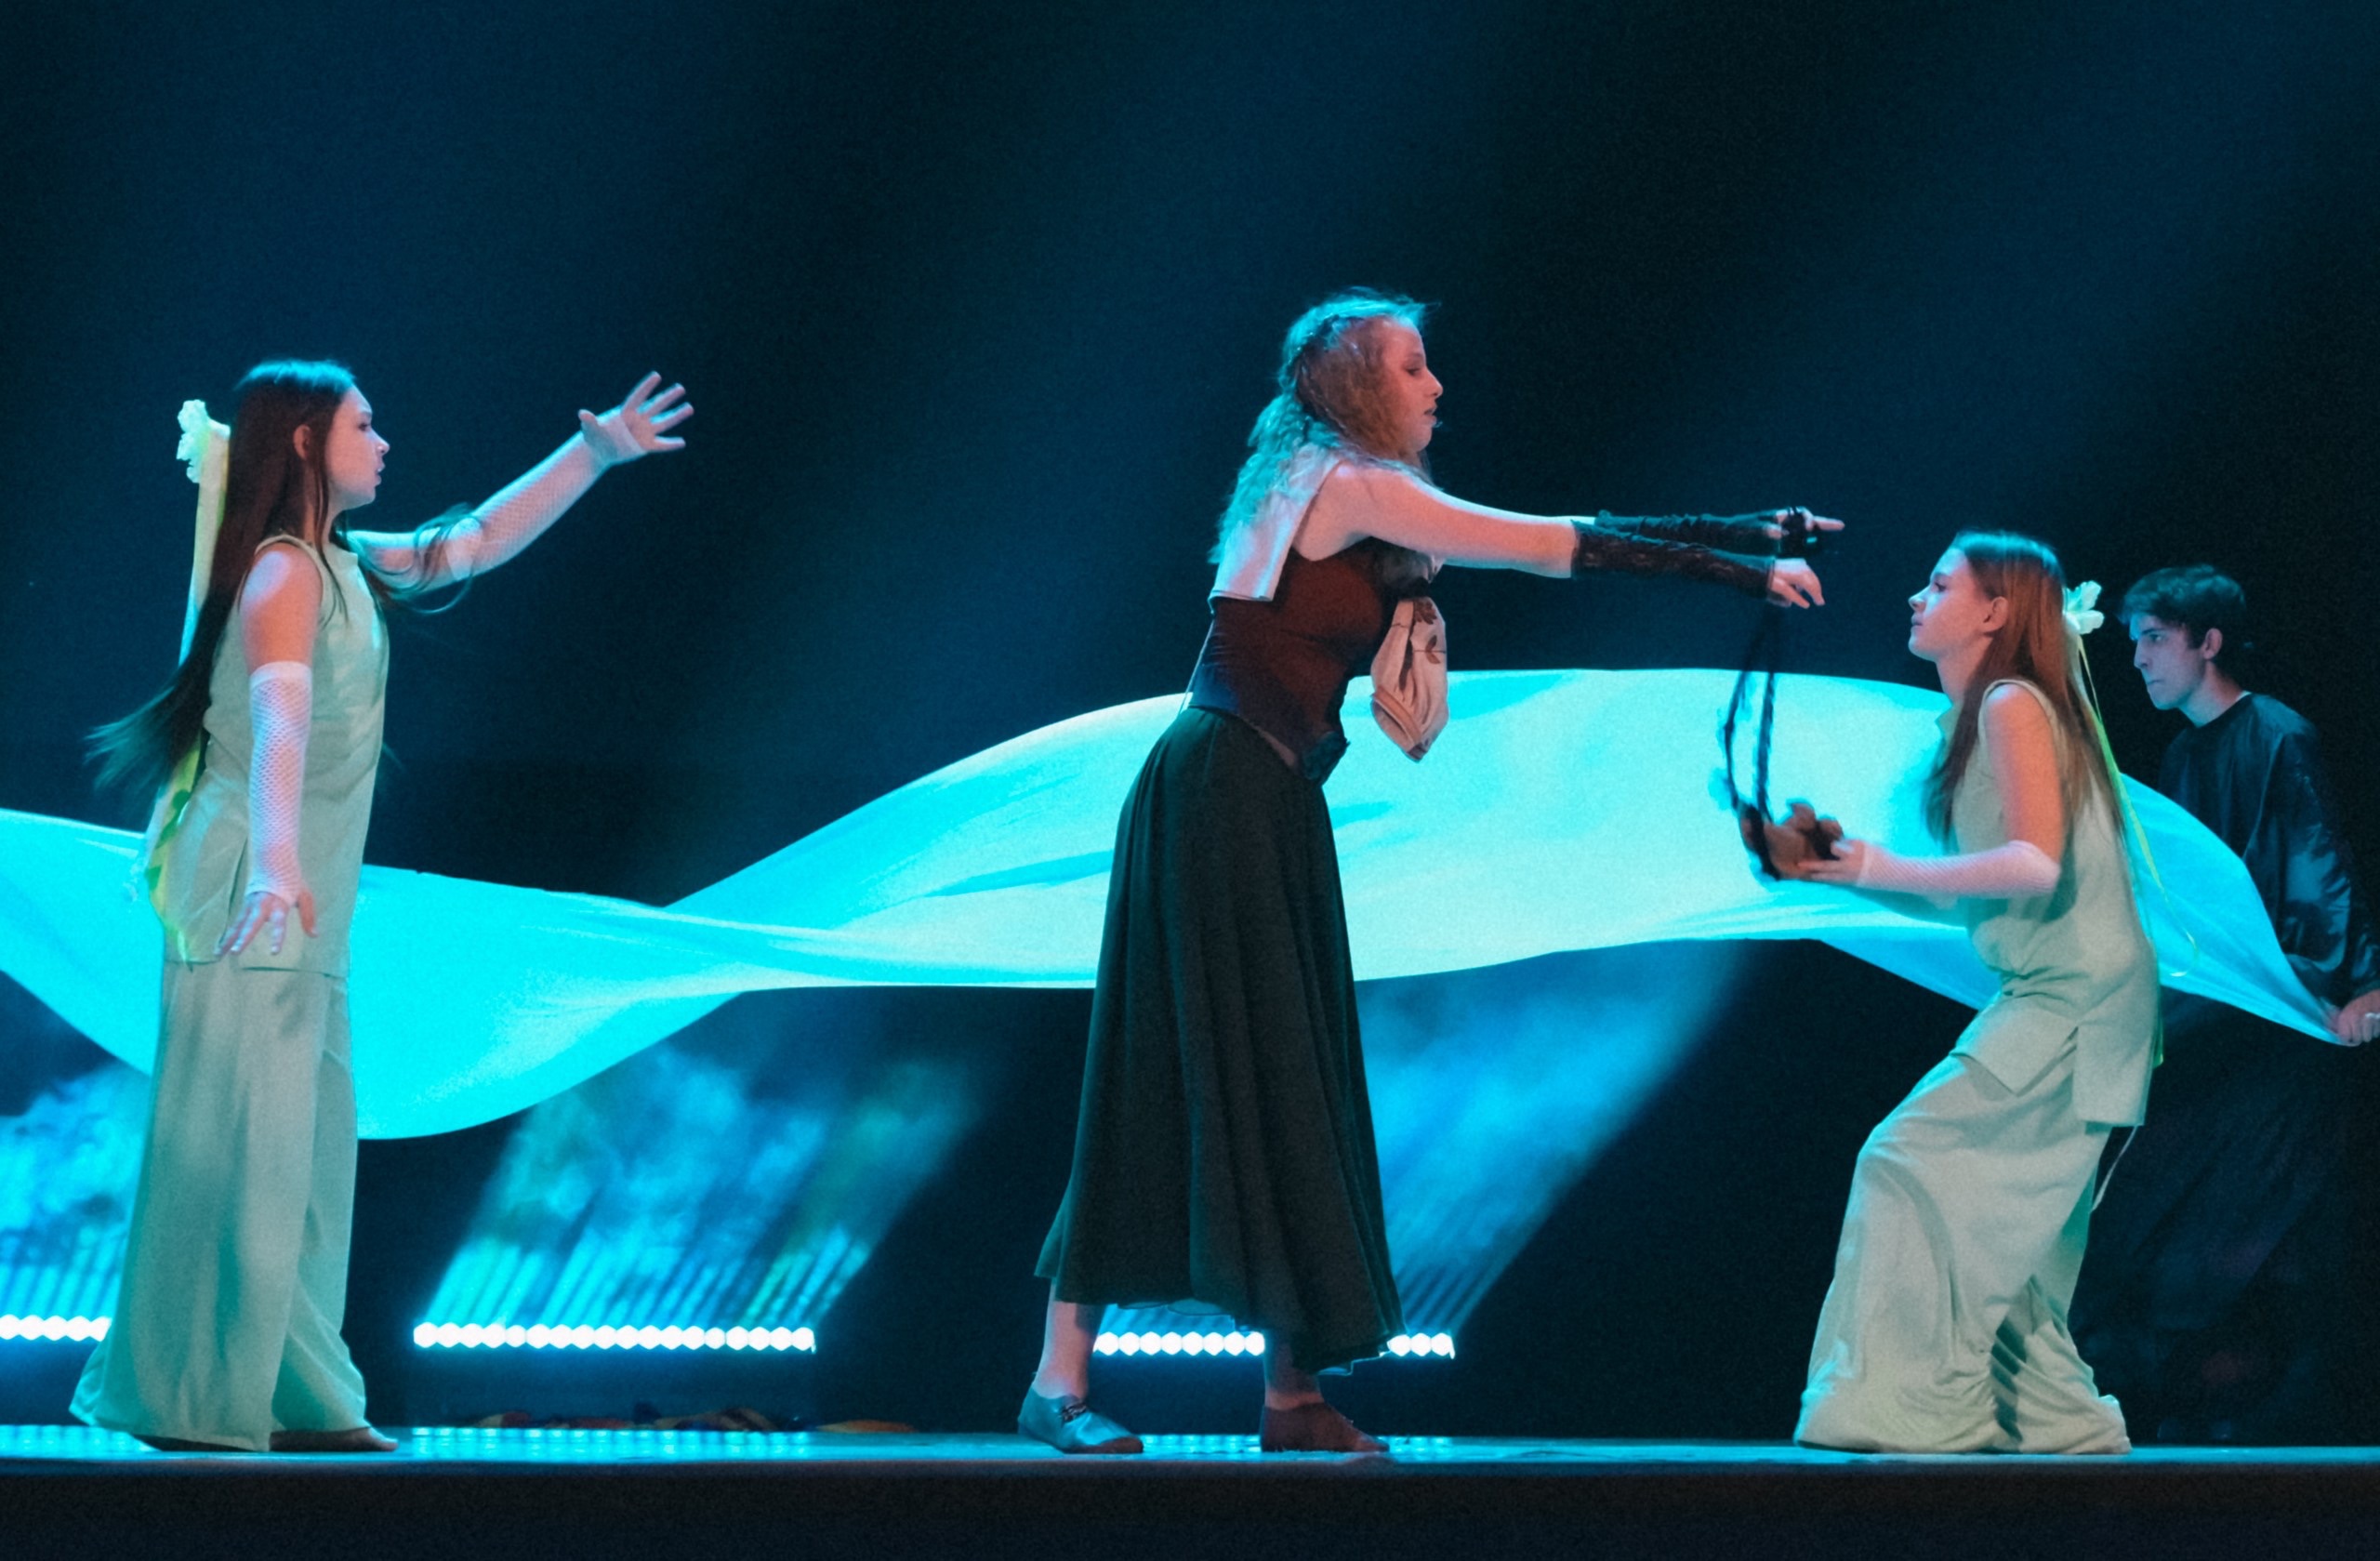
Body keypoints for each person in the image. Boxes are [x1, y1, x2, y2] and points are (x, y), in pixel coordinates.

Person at [1025, 289, 1836, 1454]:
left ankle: (1290, 1394)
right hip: (1225, 793)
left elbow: (1518, 534)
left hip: (1252, 794)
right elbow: (1551, 541)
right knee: (1174, 1070)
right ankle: (1063, 1383)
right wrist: (1740, 565)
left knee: (1286, 1071)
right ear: (1358, 385)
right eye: (1412, 366)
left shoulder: (1312, 474)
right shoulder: (1350, 482)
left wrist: (1751, 529)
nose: (1436, 385)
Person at [75, 362, 691, 1452]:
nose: (384, 440)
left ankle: (294, 1388)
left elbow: (477, 540)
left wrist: (592, 454)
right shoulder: (281, 572)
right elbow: (278, 719)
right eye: (364, 424)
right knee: (247, 1148)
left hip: (298, 906)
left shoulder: (344, 563)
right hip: (251, 897)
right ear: (303, 441)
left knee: (305, 1158)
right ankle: (203, 1392)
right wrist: (274, 864)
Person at [1782, 532, 2155, 1454]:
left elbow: (2033, 864)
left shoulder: (2011, 702)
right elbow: (1976, 889)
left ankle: (1915, 1409)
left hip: (2074, 1001)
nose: (1917, 597)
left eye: (1940, 583)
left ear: (1995, 610)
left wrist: (1869, 862)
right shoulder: (1984, 717)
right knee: (2009, 1231)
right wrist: (1841, 868)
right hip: (2074, 996)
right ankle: (2054, 1422)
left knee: (1905, 1162)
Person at [2065, 565, 2378, 1441]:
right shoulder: (2183, 754)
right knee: (2159, 1198)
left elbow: (2319, 864)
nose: (2138, 658)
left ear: (2208, 642)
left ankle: (2255, 1414)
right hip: (2216, 1011)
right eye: (2133, 639)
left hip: (2280, 1013)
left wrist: (2360, 980)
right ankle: (2163, 1397)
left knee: (2257, 1210)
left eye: (2155, 638)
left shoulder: (2278, 734)